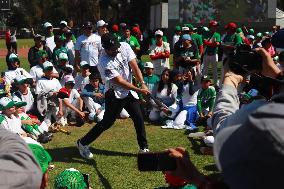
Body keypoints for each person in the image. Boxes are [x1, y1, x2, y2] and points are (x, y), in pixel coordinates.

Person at [77, 33, 150, 159]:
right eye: (112, 49)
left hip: (128, 92)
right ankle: (82, 143)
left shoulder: (125, 46)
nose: (115, 50)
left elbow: (134, 66)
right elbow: (120, 81)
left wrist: (142, 83)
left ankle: (144, 148)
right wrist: (139, 89)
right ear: (105, 48)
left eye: (116, 47)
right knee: (107, 123)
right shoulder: (103, 62)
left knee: (138, 117)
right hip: (114, 93)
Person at [35, 61, 62, 127]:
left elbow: (60, 96)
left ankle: (54, 119)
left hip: (55, 104)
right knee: (47, 125)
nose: (50, 71)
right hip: (45, 106)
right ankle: (49, 119)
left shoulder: (56, 80)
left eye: (51, 69)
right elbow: (38, 96)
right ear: (44, 71)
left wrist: (60, 110)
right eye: (48, 69)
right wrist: (50, 94)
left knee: (61, 123)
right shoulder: (40, 81)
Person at [202, 20, 221, 86]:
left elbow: (217, 44)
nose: (215, 27)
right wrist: (212, 44)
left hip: (214, 54)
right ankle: (204, 83)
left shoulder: (217, 34)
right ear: (210, 26)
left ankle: (216, 85)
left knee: (215, 70)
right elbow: (204, 42)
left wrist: (210, 43)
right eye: (214, 26)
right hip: (206, 54)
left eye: (216, 26)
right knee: (205, 70)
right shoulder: (205, 33)